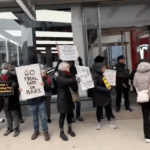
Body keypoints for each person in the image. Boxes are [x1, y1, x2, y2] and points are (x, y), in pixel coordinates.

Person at [56, 62, 78, 141]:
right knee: (62, 115)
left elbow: (74, 86)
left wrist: (74, 80)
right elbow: (67, 81)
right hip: (62, 99)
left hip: (69, 97)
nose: (69, 67)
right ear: (63, 68)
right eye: (68, 66)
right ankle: (61, 132)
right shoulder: (59, 76)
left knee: (70, 114)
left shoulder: (69, 75)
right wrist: (74, 79)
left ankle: (69, 129)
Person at [92, 62, 117, 130]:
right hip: (99, 95)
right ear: (99, 68)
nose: (104, 68)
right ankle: (99, 122)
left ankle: (110, 121)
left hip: (106, 94)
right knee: (99, 109)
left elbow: (108, 82)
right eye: (103, 67)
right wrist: (104, 89)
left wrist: (110, 86)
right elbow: (95, 86)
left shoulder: (105, 74)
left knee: (108, 108)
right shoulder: (95, 76)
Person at [0, 63, 20, 137]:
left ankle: (16, 128)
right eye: (2, 69)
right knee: (7, 114)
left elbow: (18, 85)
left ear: (7, 69)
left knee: (14, 114)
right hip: (3, 99)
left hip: (11, 99)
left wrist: (14, 85)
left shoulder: (13, 76)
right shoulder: (0, 76)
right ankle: (9, 127)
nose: (3, 70)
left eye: (5, 68)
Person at [133, 60, 150, 143]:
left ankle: (147, 137)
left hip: (143, 97)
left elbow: (135, 85)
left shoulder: (136, 73)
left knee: (146, 116)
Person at [68, 57, 84, 122]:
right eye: (69, 62)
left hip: (75, 88)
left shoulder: (74, 69)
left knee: (78, 102)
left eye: (72, 62)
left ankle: (78, 115)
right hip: (69, 89)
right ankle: (71, 116)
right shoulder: (66, 70)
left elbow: (81, 70)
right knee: (70, 103)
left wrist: (80, 61)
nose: (71, 63)